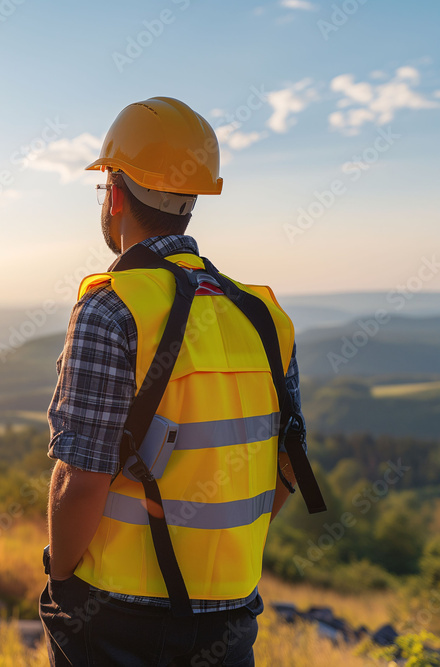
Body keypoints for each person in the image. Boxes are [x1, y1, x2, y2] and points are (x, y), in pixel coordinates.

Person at [40, 97, 325, 666]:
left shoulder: (111, 309)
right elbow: (290, 466)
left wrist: (60, 572)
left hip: (116, 620)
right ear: (192, 201)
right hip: (232, 618)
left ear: (116, 193)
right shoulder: (264, 316)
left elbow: (82, 476)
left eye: (104, 188)